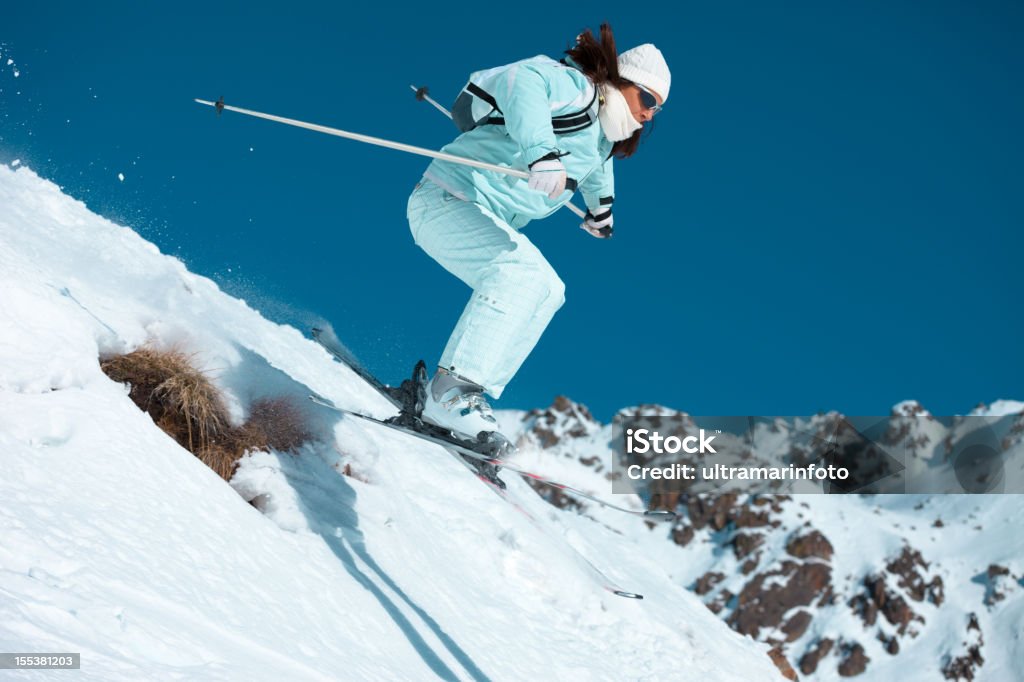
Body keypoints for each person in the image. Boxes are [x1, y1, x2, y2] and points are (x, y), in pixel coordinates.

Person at [407, 24, 670, 441]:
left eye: (659, 109)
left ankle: (465, 396)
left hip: (478, 214)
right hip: (448, 198)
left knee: (549, 289)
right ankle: (449, 394)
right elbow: (521, 81)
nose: (651, 113)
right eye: (649, 99)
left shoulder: (600, 133)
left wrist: (602, 209)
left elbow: (597, 165)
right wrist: (540, 154)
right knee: (520, 274)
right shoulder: (577, 88)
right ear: (622, 83)